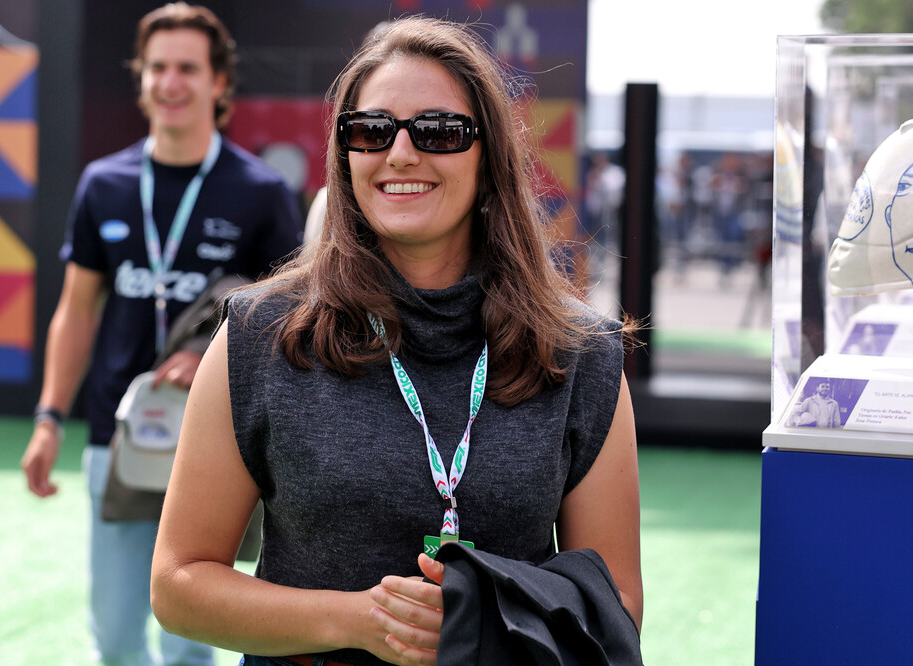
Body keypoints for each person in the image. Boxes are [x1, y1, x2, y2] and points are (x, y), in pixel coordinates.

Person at [150, 17, 642, 666]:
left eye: (438, 132)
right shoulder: (259, 335)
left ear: (488, 155)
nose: (401, 154)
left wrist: (480, 620)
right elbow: (179, 581)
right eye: (372, 131)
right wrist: (361, 620)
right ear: (345, 154)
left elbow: (618, 602)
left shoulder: (581, 352)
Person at [18, 3, 302, 665]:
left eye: (188, 68)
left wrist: (205, 353)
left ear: (219, 83)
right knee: (115, 638)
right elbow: (78, 308)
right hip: (116, 434)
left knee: (190, 644)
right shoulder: (104, 184)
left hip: (216, 446)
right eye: (158, 68)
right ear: (141, 79)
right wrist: (47, 416)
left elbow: (288, 318)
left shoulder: (260, 191)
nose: (171, 82)